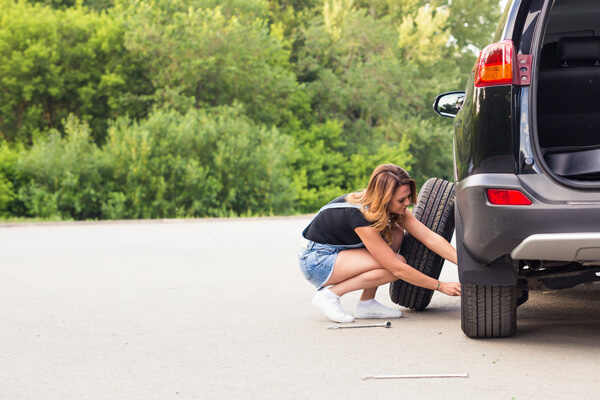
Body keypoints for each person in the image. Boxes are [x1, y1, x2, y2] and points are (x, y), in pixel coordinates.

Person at [298, 164, 461, 323]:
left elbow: (429, 237)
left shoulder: (390, 208)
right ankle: (329, 296)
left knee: (395, 232)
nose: (408, 203)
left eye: (408, 197)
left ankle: (367, 304)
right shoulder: (361, 215)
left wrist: (465, 263)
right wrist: (440, 286)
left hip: (338, 253)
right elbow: (397, 269)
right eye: (401, 200)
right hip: (316, 260)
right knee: (396, 265)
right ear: (385, 199)